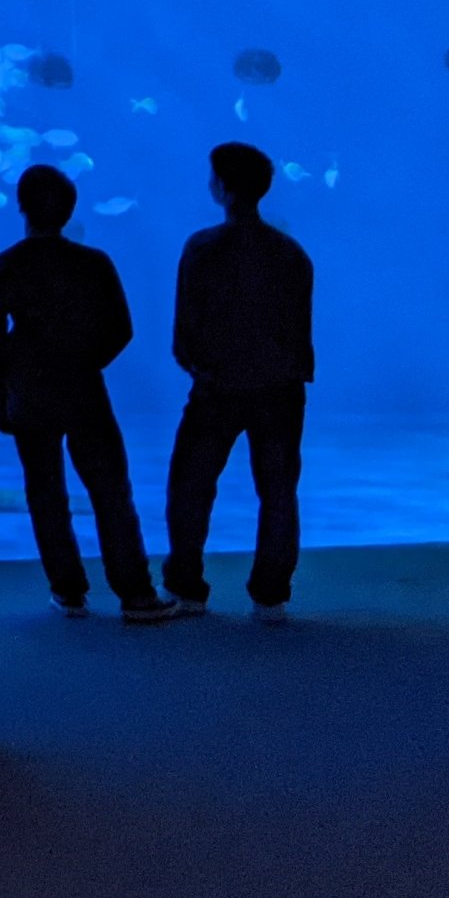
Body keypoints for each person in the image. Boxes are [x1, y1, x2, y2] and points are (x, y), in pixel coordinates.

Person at [0, 167, 178, 622]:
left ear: (21, 206)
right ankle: (136, 593)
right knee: (111, 491)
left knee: (45, 493)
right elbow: (122, 329)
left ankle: (68, 592)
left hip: (29, 392)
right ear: (70, 212)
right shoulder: (94, 263)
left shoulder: (3, 267)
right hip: (84, 388)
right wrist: (84, 360)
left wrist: (1, 400)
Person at [162, 143, 315, 621]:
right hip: (280, 390)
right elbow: (300, 331)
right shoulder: (291, 252)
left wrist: (199, 369)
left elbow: (185, 327)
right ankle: (271, 594)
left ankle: (187, 587)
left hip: (217, 388)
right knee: (278, 491)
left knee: (191, 486)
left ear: (223, 189)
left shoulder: (202, 247)